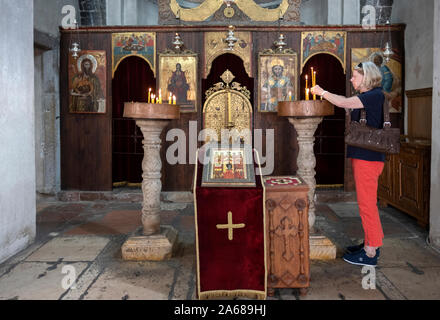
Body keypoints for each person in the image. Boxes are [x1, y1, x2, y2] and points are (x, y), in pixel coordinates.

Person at [311, 61, 385, 267]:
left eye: (354, 76)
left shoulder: (374, 95)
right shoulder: (370, 97)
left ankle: (370, 253)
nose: (351, 79)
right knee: (366, 203)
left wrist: (322, 91)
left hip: (368, 158)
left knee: (367, 205)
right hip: (365, 156)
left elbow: (344, 102)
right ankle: (371, 243)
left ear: (366, 77)